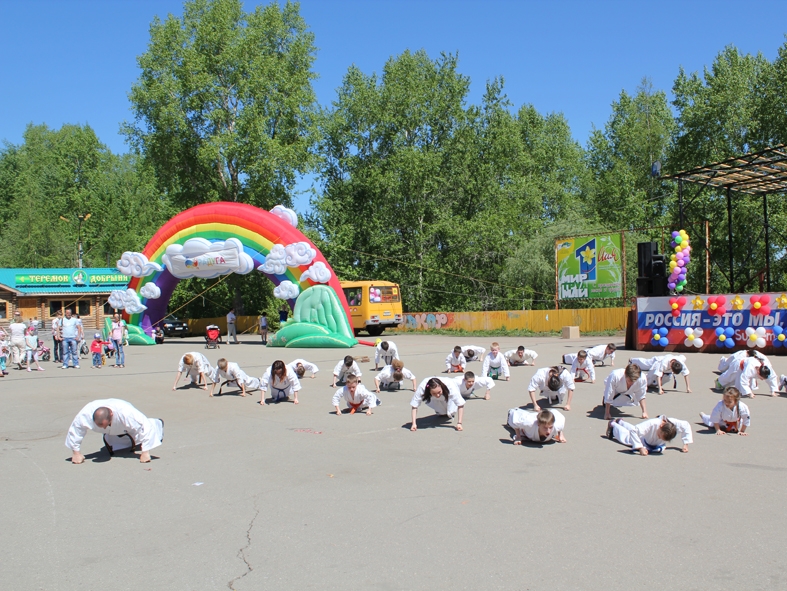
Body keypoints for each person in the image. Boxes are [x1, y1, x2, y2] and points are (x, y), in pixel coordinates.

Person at [65, 399, 163, 464]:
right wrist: (76, 452)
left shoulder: (127, 412)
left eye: (105, 425)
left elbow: (144, 426)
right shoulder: (85, 414)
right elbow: (76, 430)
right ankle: (120, 437)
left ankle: (157, 423)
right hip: (113, 430)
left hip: (128, 426)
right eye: (101, 426)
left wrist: (145, 451)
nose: (103, 428)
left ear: (111, 414)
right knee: (118, 448)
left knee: (142, 435)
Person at [607, 415, 692, 454]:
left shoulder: (673, 424)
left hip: (655, 444)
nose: (660, 437)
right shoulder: (652, 423)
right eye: (659, 435)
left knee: (636, 430)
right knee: (629, 439)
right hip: (645, 438)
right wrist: (640, 448)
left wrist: (686, 444)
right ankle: (613, 426)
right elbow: (634, 431)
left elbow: (686, 425)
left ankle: (621, 422)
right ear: (661, 426)